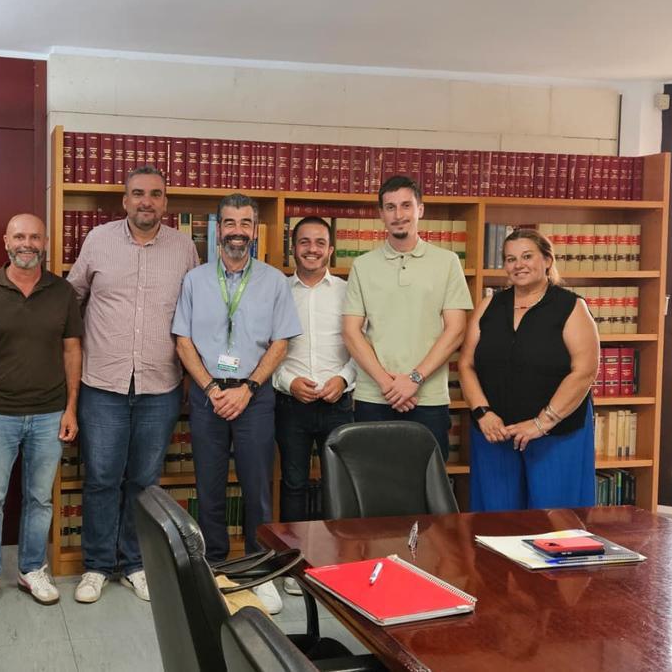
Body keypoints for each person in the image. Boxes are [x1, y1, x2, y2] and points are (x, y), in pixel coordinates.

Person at [66, 165, 198, 604]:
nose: (147, 201)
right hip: (102, 383)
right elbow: (73, 300)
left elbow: (195, 312)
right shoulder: (99, 240)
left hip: (160, 386)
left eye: (156, 194)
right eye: (138, 193)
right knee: (102, 478)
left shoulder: (184, 248)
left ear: (166, 202)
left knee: (143, 480)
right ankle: (98, 566)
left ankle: (135, 563)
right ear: (124, 201)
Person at [172, 193, 302, 614]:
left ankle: (257, 570)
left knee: (257, 489)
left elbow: (281, 341)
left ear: (255, 230)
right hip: (208, 396)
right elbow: (183, 340)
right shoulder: (194, 280)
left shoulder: (274, 281)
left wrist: (247, 386)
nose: (237, 232)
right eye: (229, 223)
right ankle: (214, 565)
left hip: (256, 396)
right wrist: (211, 389)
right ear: (217, 228)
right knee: (208, 487)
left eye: (245, 223)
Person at [0, 214, 83, 612]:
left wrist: (71, 409)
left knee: (40, 499)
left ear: (45, 242)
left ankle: (31, 569)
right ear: (6, 241)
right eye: (20, 236)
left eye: (35, 237)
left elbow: (73, 350)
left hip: (48, 414)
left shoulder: (62, 292)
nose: (28, 243)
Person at [458, 228, 599, 510]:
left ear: (547, 260)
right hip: (495, 434)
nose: (518, 265)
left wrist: (541, 423)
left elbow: (584, 372)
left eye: (527, 256)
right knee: (495, 523)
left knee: (554, 526)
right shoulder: (489, 306)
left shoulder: (571, 306)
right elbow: (466, 364)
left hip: (555, 436)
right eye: (510, 259)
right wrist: (483, 413)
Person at [342, 175, 473, 458]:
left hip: (428, 398)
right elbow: (351, 332)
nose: (398, 215)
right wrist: (388, 385)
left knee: (427, 488)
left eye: (405, 206)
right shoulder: (362, 266)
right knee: (373, 486)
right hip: (373, 397)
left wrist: (414, 379)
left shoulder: (448, 262)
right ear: (381, 215)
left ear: (420, 209)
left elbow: (456, 330)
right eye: (390, 207)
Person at [271, 216, 355, 595]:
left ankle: (333, 562)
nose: (312, 249)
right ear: (294, 248)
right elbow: (267, 350)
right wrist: (289, 381)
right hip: (292, 403)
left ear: (331, 249)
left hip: (339, 402)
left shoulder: (348, 292)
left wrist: (344, 379)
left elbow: (363, 346)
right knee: (294, 485)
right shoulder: (277, 292)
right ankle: (292, 564)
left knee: (339, 487)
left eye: (320, 242)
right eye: (304, 242)